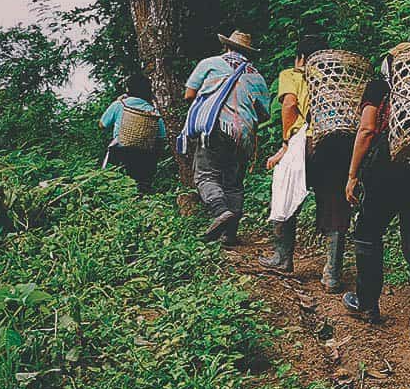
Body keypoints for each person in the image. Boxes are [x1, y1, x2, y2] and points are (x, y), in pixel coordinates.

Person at [342, 43, 410, 351]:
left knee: (368, 231)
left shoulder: (381, 86)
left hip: (387, 166)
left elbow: (366, 129)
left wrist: (352, 175)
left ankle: (366, 303)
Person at [260, 35, 354, 292]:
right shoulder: (337, 79)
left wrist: (286, 141)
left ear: (301, 57)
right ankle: (332, 274)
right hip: (336, 143)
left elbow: (290, 104)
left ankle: (282, 257)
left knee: (286, 190)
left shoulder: (293, 74)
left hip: (307, 142)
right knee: (336, 202)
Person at [179, 29, 271, 244]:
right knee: (234, 183)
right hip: (243, 134)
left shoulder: (209, 63)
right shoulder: (256, 75)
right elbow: (264, 111)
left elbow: (189, 94)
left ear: (226, 46)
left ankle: (220, 211)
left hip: (214, 126)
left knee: (205, 175)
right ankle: (230, 235)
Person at [98, 73, 166, 194]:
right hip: (145, 156)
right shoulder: (153, 111)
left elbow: (102, 124)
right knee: (142, 189)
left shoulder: (120, 105)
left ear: (128, 89)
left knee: (114, 187)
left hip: (120, 151)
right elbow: (161, 137)